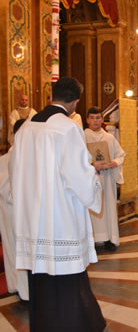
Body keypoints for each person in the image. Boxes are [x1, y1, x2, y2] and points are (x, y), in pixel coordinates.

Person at [9, 77, 105, 331]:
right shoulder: (66, 126)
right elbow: (77, 173)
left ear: (51, 96)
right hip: (59, 215)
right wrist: (94, 180)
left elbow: (15, 168)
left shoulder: (27, 126)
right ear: (75, 101)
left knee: (40, 278)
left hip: (32, 217)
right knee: (67, 277)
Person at [85, 107, 126, 252]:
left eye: (98, 118)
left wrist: (115, 162)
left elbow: (121, 155)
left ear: (102, 120)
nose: (95, 121)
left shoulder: (109, 137)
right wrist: (91, 165)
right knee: (91, 209)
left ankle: (109, 238)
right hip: (90, 180)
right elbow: (75, 158)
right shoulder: (82, 137)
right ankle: (93, 240)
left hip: (107, 179)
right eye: (92, 117)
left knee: (107, 207)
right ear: (87, 120)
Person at [0, 119, 29, 302]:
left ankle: (31, 290)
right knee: (17, 252)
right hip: (13, 213)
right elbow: (5, 190)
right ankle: (22, 290)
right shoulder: (5, 160)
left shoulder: (32, 156)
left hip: (28, 213)